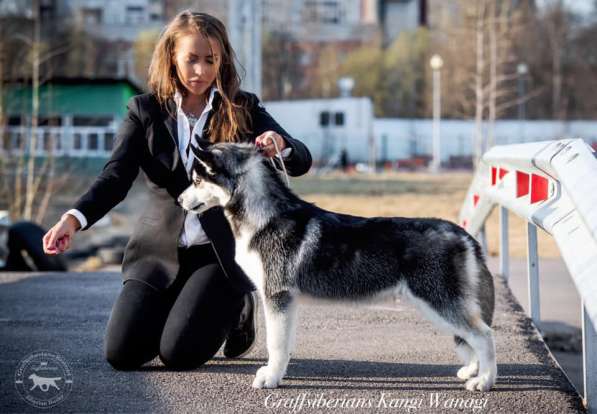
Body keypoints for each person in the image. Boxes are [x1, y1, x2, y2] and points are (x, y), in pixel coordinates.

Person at [42, 10, 312, 370]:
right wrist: (72, 220)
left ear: (222, 61)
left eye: (210, 60)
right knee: (122, 355)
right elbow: (116, 176)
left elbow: (301, 160)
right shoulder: (144, 111)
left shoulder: (241, 107)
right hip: (157, 253)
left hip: (221, 255)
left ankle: (238, 306)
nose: (201, 70)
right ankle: (185, 308)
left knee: (178, 355)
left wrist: (281, 143)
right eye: (192, 59)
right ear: (172, 56)